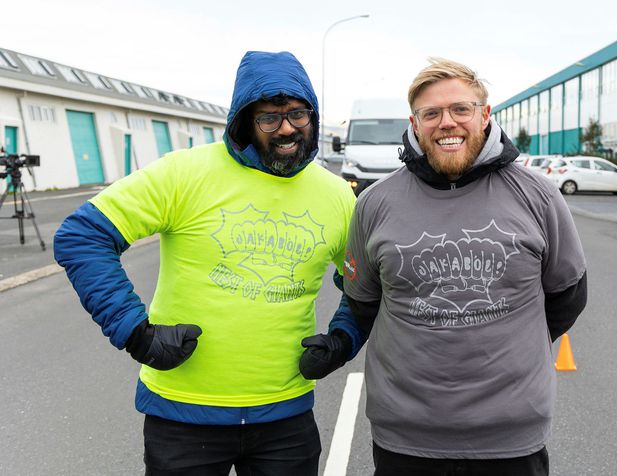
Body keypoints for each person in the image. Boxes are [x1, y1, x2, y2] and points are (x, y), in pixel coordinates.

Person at [54, 50, 364, 476]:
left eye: (297, 114)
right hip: (183, 417)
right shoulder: (184, 173)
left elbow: (362, 282)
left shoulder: (336, 195)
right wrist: (135, 332)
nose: (287, 128)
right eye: (269, 118)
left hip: (285, 419)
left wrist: (344, 340)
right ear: (243, 121)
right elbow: (82, 236)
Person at [300, 58, 588, 475]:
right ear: (415, 124)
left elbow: (567, 296)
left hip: (511, 435)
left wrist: (513, 348)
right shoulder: (375, 204)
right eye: (431, 113)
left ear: (485, 115)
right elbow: (362, 302)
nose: (446, 122)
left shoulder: (537, 195)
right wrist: (339, 343)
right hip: (406, 435)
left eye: (460, 109)